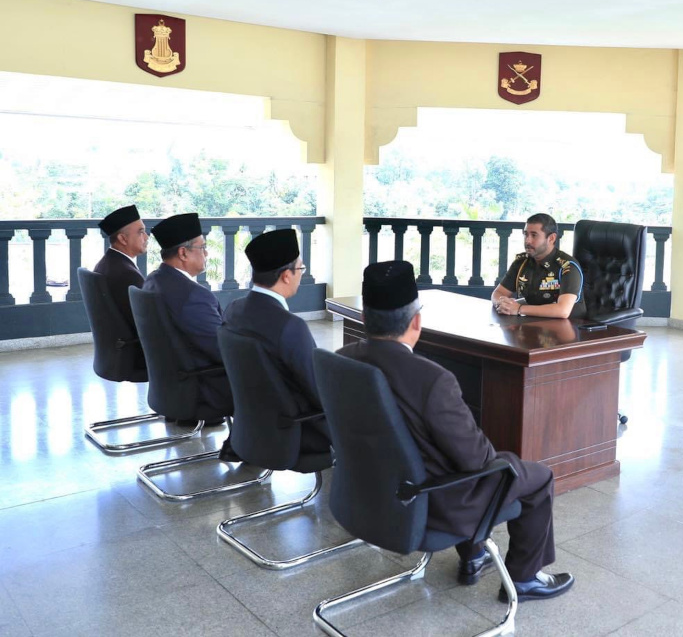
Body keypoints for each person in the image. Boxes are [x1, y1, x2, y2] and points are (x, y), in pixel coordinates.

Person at [338, 260, 574, 602]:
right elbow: (478, 460)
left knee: (454, 462)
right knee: (531, 475)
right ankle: (523, 578)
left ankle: (474, 555)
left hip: (366, 493)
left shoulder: (341, 360)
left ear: (363, 318)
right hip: (428, 504)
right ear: (416, 321)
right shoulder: (432, 380)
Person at [221, 229, 331, 452]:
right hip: (294, 431)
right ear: (286, 275)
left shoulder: (234, 309)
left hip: (251, 427)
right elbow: (318, 392)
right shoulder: (290, 326)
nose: (301, 274)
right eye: (300, 268)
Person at [142, 213, 234, 441]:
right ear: (183, 253)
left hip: (170, 385)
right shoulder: (194, 296)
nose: (206, 253)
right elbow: (222, 351)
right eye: (202, 248)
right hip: (202, 387)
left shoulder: (153, 281)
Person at [491, 212, 585, 319]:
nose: (527, 240)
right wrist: (501, 303)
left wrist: (518, 308)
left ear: (551, 238)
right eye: (526, 234)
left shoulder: (567, 266)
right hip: (533, 322)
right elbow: (498, 292)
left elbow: (563, 311)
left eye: (534, 235)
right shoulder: (521, 262)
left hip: (569, 327)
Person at [93, 204, 148, 335]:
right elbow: (147, 322)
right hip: (135, 352)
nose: (146, 237)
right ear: (123, 238)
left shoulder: (107, 263)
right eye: (141, 232)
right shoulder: (127, 274)